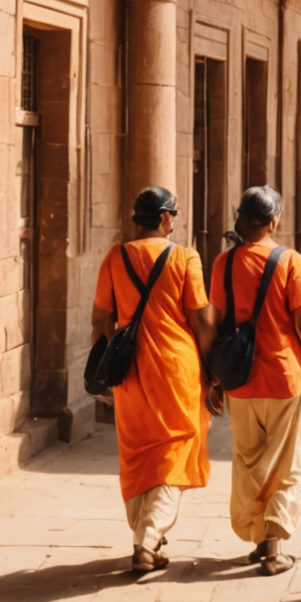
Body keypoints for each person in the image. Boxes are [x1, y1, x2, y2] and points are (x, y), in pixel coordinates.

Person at [95, 187, 216, 571]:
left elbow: (100, 319)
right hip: (176, 367)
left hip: (130, 369)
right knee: (174, 448)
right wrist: (213, 371)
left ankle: (144, 532)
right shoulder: (184, 257)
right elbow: (200, 318)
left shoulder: (115, 257)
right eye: (174, 215)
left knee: (137, 450)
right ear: (165, 218)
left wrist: (120, 343)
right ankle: (147, 540)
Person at [209, 186, 301, 576]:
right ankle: (274, 551)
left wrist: (212, 377)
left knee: (249, 460)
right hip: (284, 377)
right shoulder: (290, 261)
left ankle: (260, 540)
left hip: (240, 380)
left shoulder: (222, 264)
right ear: (274, 221)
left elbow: (215, 322)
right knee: (287, 464)